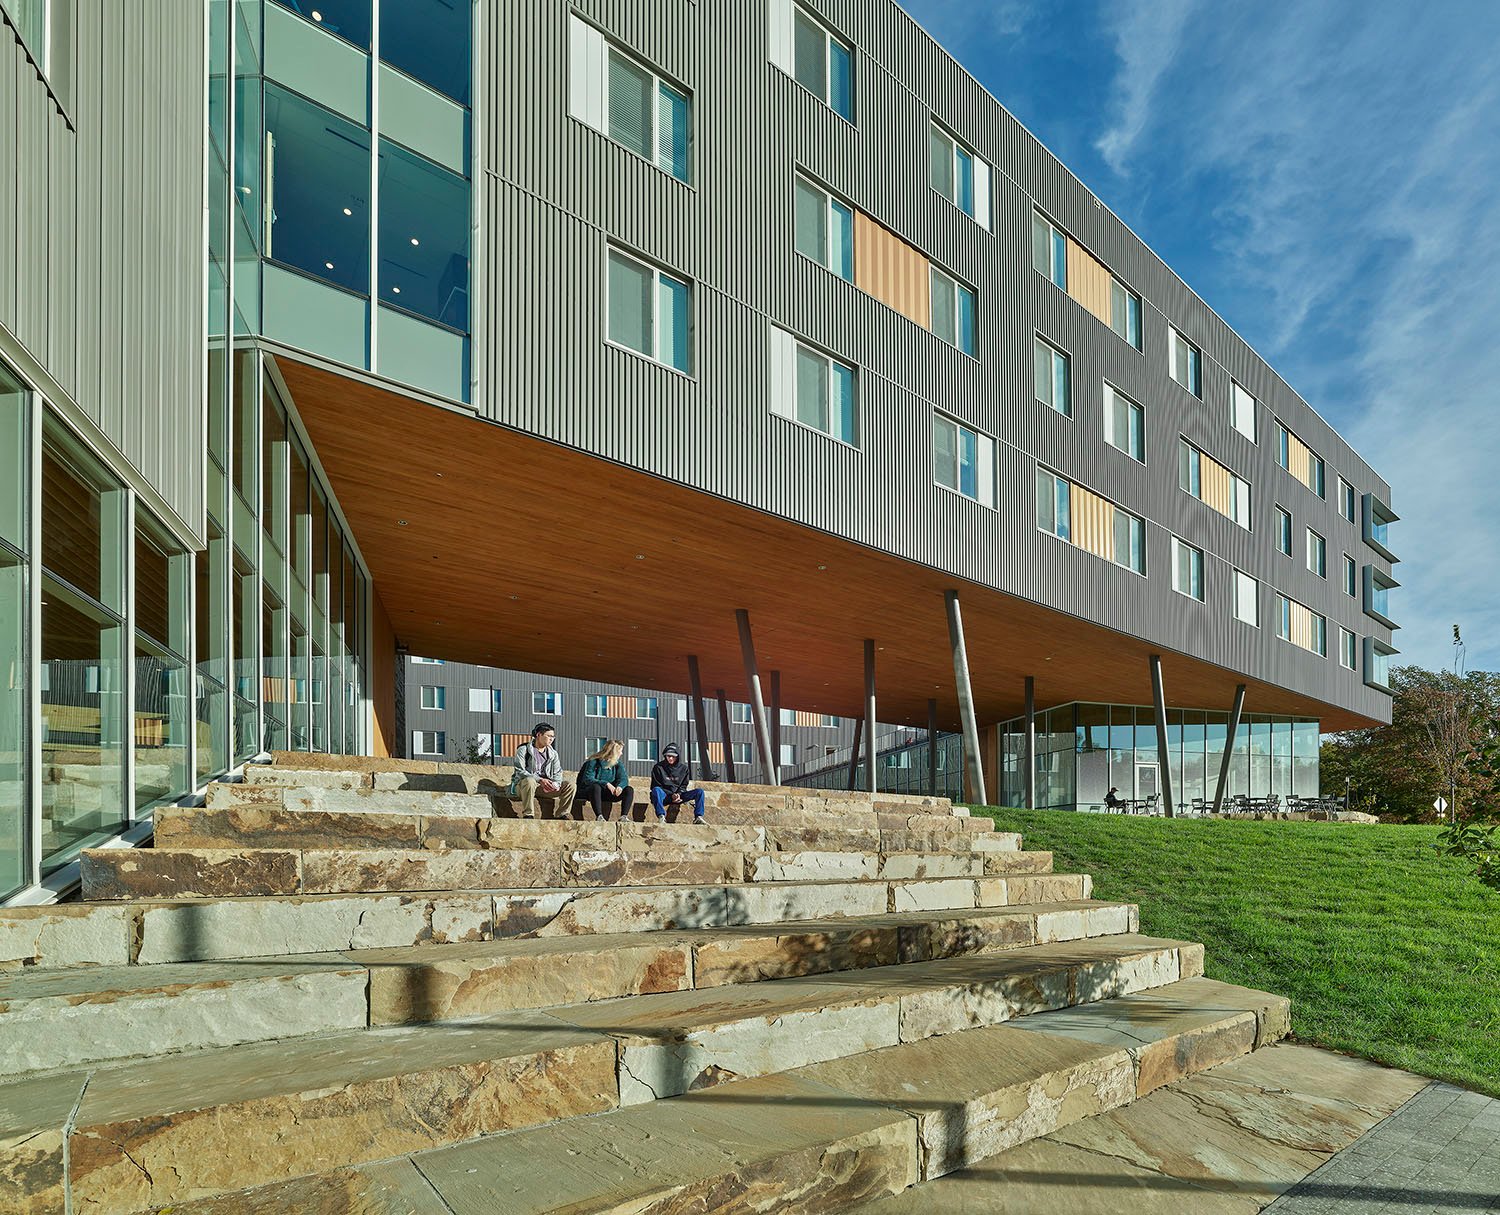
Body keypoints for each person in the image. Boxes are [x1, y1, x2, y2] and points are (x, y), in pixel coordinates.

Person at [509, 723, 576, 819]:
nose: (551, 739)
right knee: (530, 781)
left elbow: (557, 772)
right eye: (548, 736)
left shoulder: (553, 754)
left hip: (544, 788)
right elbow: (519, 771)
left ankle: (561, 814)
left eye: (553, 736)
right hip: (524, 786)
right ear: (538, 735)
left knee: (571, 785)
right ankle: (528, 814)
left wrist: (556, 784)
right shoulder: (523, 750)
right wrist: (540, 780)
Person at [576, 739, 636, 822]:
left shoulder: (618, 764)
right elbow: (588, 779)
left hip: (609, 793)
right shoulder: (593, 761)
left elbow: (623, 778)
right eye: (620, 751)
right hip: (592, 793)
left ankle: (623, 816)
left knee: (629, 789)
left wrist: (620, 787)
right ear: (613, 752)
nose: (621, 754)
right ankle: (599, 816)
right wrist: (606, 783)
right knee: (596, 787)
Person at [650, 743, 706, 823]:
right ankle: (661, 816)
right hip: (665, 795)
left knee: (700, 792)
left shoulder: (684, 769)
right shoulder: (658, 768)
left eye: (673, 756)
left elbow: (683, 786)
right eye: (668, 756)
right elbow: (655, 785)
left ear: (677, 756)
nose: (670, 758)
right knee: (656, 790)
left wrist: (678, 794)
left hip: (679, 796)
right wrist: (671, 795)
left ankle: (698, 817)